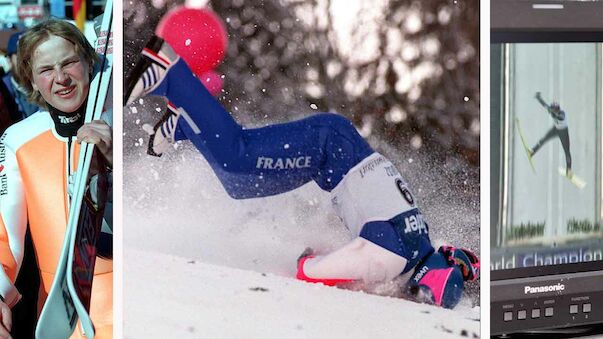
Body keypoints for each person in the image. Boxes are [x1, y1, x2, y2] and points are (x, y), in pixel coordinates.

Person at [126, 36, 479, 309]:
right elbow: (308, 272)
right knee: (238, 159)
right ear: (421, 282)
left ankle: (186, 121)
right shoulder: (390, 260)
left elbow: (455, 256)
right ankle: (168, 71)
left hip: (332, 151)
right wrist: (317, 260)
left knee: (240, 184)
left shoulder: (421, 244)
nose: (411, 301)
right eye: (420, 297)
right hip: (327, 149)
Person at [0, 19, 113, 338]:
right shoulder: (19, 140)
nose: (61, 78)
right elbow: (4, 236)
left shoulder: (119, 123)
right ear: (32, 80)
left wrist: (116, 165)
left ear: (88, 63)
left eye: (69, 62)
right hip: (59, 320)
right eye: (46, 69)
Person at [529, 91, 572, 177]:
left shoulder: (561, 113)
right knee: (544, 139)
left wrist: (555, 114)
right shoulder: (551, 110)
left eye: (555, 109)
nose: (554, 110)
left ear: (557, 109)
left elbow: (561, 116)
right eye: (553, 109)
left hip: (563, 132)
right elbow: (544, 105)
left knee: (566, 151)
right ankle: (532, 151)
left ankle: (569, 170)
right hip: (555, 129)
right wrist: (538, 98)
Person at [1, 31, 40, 121]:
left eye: (30, 55)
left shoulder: (48, 82)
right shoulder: (3, 91)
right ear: (9, 61)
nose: (25, 61)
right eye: (19, 55)